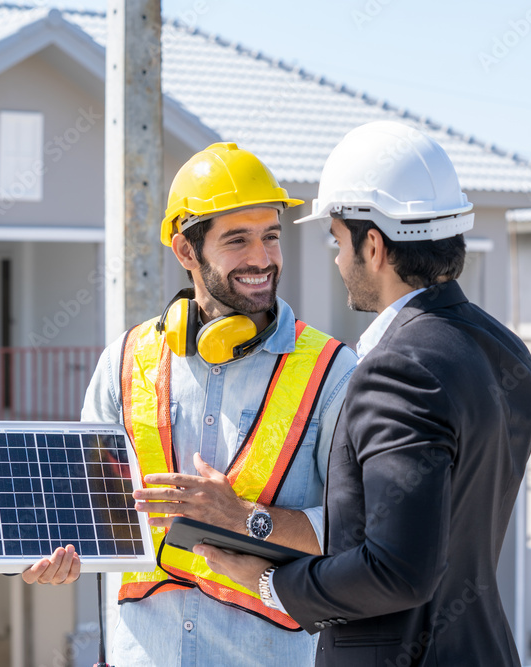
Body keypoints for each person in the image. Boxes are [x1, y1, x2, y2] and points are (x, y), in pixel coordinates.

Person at [196, 121, 531, 666]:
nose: (336, 260)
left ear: (374, 246)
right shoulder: (503, 350)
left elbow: (398, 570)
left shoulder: (398, 369)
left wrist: (270, 582)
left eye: (337, 240)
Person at [21, 141, 357, 667]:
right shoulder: (125, 362)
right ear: (185, 251)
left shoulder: (333, 372)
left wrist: (248, 519)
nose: (262, 258)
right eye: (237, 240)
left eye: (271, 237)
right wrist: (46, 555)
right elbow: (79, 506)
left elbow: (360, 531)